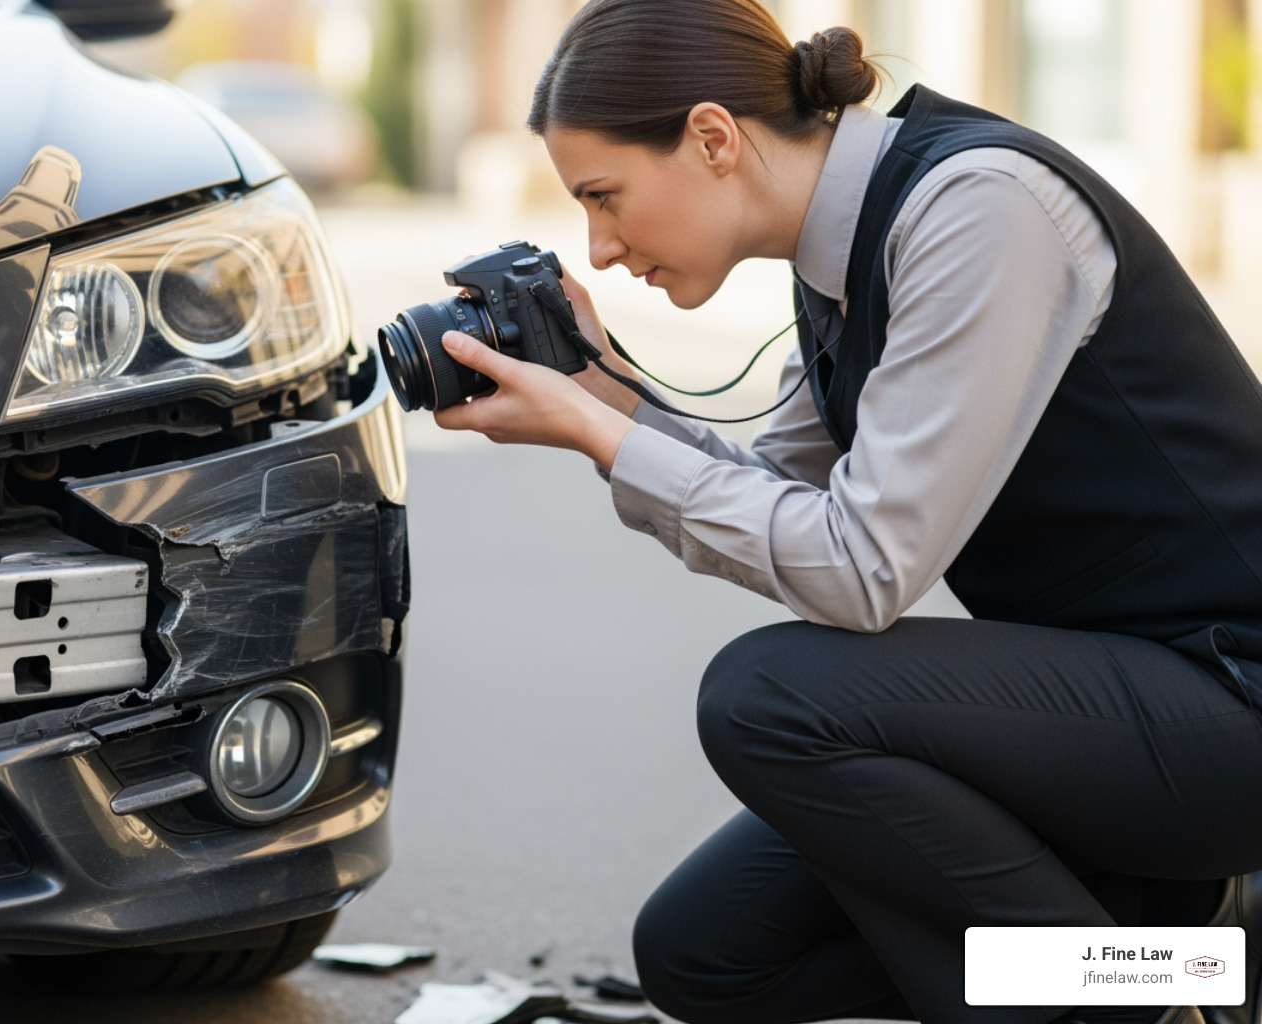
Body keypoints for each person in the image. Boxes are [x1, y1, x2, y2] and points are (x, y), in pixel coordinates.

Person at [428, 2, 1262, 1024]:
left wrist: (611, 438)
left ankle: (1125, 1006)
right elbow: (781, 490)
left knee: (771, 697)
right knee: (706, 952)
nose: (598, 249)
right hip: (1120, 718)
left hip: (1232, 698)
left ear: (712, 138)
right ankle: (1182, 963)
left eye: (605, 197)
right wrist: (608, 403)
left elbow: (863, 570)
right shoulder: (841, 252)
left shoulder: (978, 208)